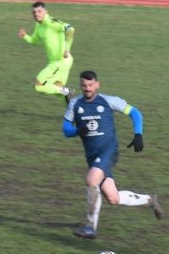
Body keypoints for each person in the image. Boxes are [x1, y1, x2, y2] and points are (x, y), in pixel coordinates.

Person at [63, 70, 162, 239]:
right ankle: (150, 200)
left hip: (108, 150)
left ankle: (90, 227)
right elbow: (66, 130)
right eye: (84, 85)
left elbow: (135, 112)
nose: (87, 88)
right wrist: (78, 130)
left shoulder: (108, 101)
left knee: (91, 180)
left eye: (90, 85)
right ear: (81, 86)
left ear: (97, 85)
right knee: (113, 197)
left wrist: (138, 133)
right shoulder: (75, 104)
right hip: (92, 156)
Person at [18, 1, 74, 101]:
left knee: (38, 86)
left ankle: (67, 91)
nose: (36, 14)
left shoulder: (51, 22)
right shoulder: (38, 25)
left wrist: (67, 49)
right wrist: (25, 36)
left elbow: (71, 29)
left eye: (39, 11)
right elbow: (34, 41)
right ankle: (73, 113)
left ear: (45, 11)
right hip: (57, 62)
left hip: (60, 62)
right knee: (59, 91)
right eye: (34, 12)